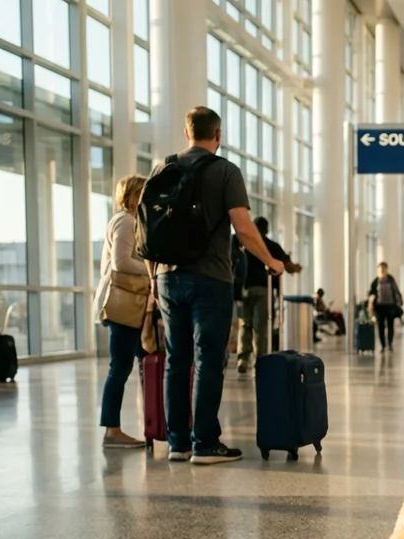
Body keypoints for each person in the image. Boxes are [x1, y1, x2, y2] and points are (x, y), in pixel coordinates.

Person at [148, 106, 285, 465]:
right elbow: (243, 227)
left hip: (167, 277)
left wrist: (153, 279)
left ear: (186, 132)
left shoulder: (163, 168)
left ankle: (178, 443)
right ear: (218, 135)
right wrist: (270, 261)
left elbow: (150, 231)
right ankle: (205, 444)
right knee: (209, 359)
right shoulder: (225, 171)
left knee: (176, 361)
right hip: (210, 278)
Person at [92, 174, 151, 448]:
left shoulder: (130, 221)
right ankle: (112, 431)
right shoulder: (126, 221)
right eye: (143, 194)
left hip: (130, 305)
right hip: (123, 305)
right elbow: (120, 263)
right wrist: (151, 270)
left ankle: (149, 423)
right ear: (132, 197)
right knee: (120, 367)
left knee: (140, 362)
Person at [235, 216, 302, 373]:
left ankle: (242, 359)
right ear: (267, 229)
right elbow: (288, 267)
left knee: (245, 324)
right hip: (263, 290)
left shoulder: (245, 245)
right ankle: (260, 360)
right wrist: (297, 268)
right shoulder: (271, 246)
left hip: (245, 290)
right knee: (261, 327)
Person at [367, 261, 404, 351]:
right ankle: (383, 345)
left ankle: (390, 343)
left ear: (386, 270)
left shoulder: (391, 280)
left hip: (390, 306)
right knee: (381, 326)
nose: (382, 271)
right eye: (381, 270)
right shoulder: (375, 282)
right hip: (379, 307)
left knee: (390, 325)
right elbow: (371, 293)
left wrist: (399, 302)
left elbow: (396, 291)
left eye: (384, 269)